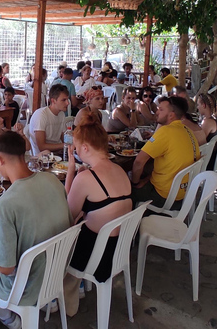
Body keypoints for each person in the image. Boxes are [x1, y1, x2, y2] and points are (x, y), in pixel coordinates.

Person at [0, 132, 71, 329]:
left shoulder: (6, 204)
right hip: (56, 272)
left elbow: (5, 268)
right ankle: (5, 314)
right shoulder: (52, 180)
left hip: (25, 287)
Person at [62, 111, 132, 315]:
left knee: (54, 237)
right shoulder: (119, 170)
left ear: (85, 148)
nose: (75, 150)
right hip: (118, 248)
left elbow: (68, 213)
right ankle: (78, 287)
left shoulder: (86, 178)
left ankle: (66, 294)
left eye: (76, 147)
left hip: (95, 254)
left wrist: (71, 170)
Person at [131, 96, 200, 207]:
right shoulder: (187, 130)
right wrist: (146, 180)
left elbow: (138, 162)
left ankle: (131, 222)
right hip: (183, 192)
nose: (157, 112)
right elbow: (172, 167)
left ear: (171, 115)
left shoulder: (166, 131)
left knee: (124, 190)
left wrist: (135, 183)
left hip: (164, 196)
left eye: (161, 109)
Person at [28, 83, 70, 154]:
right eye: (63, 100)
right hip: (43, 157)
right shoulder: (41, 115)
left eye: (67, 99)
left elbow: (64, 138)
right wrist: (65, 145)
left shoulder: (61, 114)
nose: (67, 103)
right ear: (53, 101)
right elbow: (42, 147)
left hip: (58, 153)